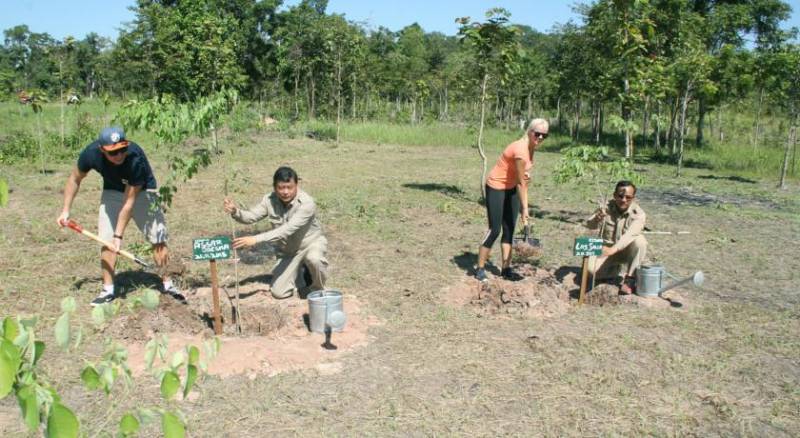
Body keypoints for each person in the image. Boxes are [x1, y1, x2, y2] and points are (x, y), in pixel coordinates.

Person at [57, 126, 184, 305]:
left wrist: (119, 236)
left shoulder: (135, 158)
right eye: (113, 152)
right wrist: (65, 210)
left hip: (142, 192)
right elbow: (74, 178)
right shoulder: (91, 153)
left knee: (158, 237)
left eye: (122, 149)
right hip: (112, 191)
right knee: (106, 240)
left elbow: (128, 203)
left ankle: (168, 285)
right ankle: (108, 290)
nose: (119, 155)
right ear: (102, 150)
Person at [223, 166, 328, 299]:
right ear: (274, 187)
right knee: (279, 293)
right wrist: (235, 211)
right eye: (281, 187)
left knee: (315, 259)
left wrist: (255, 239)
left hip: (310, 244)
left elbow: (287, 229)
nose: (285, 192)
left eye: (289, 187)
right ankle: (300, 273)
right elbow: (251, 216)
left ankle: (317, 289)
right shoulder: (269, 200)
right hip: (289, 252)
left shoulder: (307, 203)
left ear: (297, 185)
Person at [475, 118, 549, 282]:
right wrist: (525, 209)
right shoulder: (521, 149)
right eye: (537, 134)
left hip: (512, 187)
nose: (541, 138)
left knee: (509, 229)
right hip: (496, 186)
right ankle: (480, 268)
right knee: (495, 229)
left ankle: (506, 269)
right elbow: (523, 184)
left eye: (545, 135)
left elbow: (522, 178)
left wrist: (525, 178)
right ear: (530, 131)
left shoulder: (531, 147)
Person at [585, 180, 648, 294]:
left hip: (626, 251)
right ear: (614, 195)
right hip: (606, 251)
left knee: (640, 241)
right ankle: (614, 270)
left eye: (628, 197)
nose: (623, 200)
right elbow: (590, 225)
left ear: (633, 198)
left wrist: (613, 249)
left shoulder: (639, 214)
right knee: (590, 271)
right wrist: (596, 219)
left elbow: (630, 234)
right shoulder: (606, 207)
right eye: (620, 196)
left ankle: (630, 279)